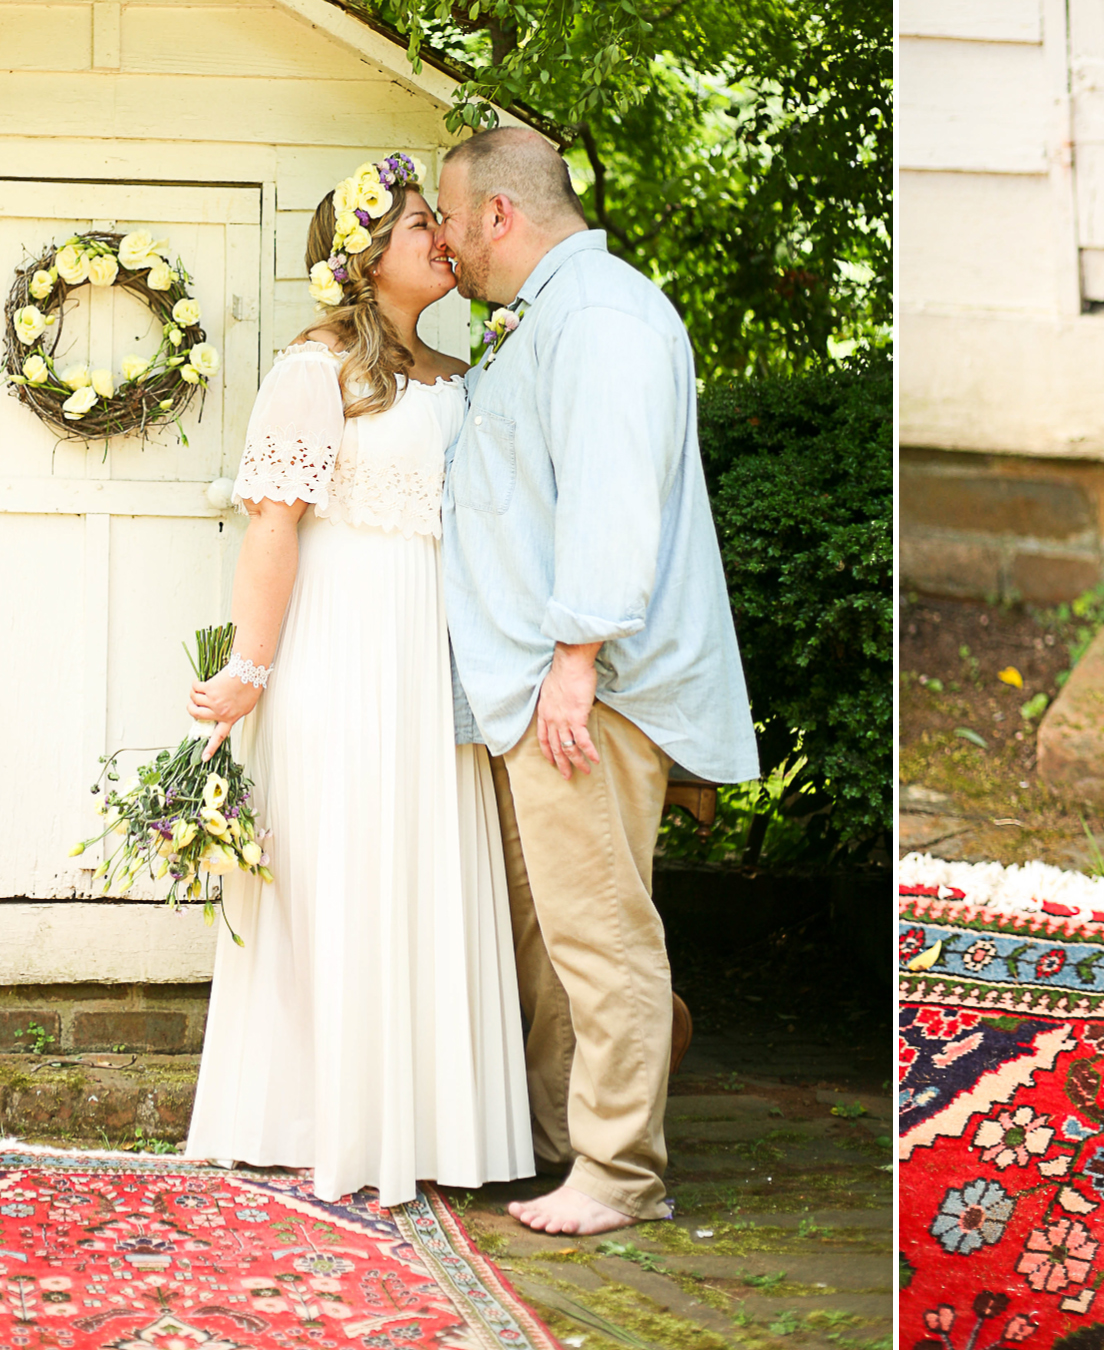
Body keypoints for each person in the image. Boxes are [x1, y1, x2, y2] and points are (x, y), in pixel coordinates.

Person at [181, 154, 534, 1205]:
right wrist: (250, 666)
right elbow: (272, 527)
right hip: (339, 649)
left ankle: (430, 1124)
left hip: (433, 653)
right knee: (344, 865)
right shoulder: (315, 369)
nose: (446, 239)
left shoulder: (458, 373)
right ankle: (321, 1114)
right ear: (367, 257)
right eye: (424, 224)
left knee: (425, 861)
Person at [436, 126, 760, 1237]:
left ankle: (621, 1174)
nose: (443, 240)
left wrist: (575, 660)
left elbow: (614, 501)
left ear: (499, 216)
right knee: (548, 935)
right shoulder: (547, 318)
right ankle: (565, 1138)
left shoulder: (605, 316)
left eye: (450, 216)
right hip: (535, 682)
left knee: (598, 930)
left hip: (587, 685)